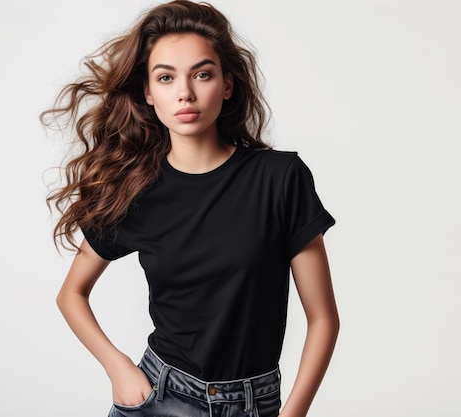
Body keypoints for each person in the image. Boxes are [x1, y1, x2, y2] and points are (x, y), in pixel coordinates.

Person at [42, 1, 339, 416]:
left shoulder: (280, 178)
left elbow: (323, 319)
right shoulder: (136, 190)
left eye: (202, 74)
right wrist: (119, 368)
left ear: (228, 84)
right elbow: (71, 294)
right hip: (160, 396)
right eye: (166, 77)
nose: (185, 92)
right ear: (148, 92)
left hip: (253, 403)